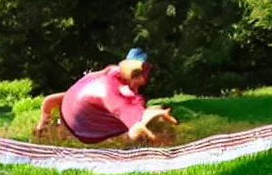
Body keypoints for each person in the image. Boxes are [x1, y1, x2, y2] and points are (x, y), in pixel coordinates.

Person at [34, 48, 177, 143]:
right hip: (78, 132)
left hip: (76, 121)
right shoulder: (115, 92)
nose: (144, 80)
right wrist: (154, 139)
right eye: (139, 75)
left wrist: (43, 118)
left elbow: (50, 100)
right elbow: (135, 131)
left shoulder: (100, 81)